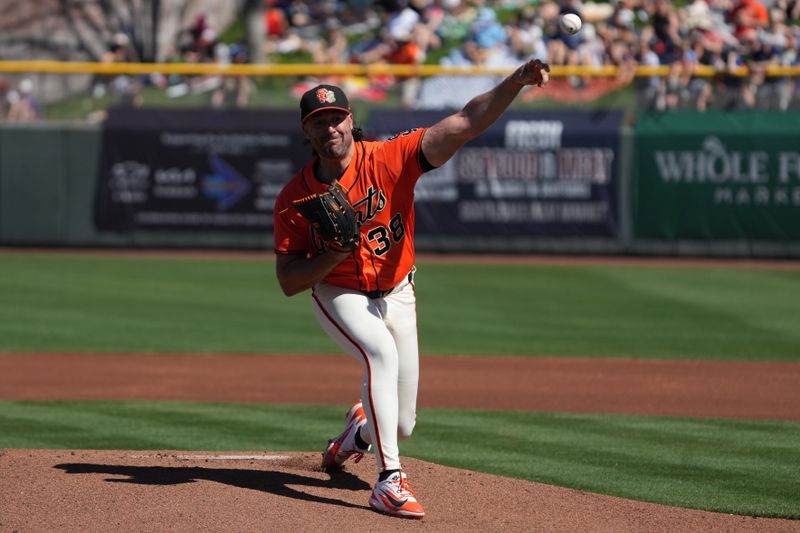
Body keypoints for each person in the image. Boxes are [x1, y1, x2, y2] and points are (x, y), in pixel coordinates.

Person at [272, 58, 550, 519]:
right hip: (338, 292)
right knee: (378, 354)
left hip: (398, 289)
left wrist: (513, 84)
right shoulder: (294, 197)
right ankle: (388, 482)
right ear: (308, 133)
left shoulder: (388, 157)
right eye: (317, 122)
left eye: (335, 117)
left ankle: (352, 436)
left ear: (350, 119)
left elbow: (464, 122)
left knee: (401, 424)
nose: (329, 127)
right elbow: (287, 282)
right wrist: (334, 255)